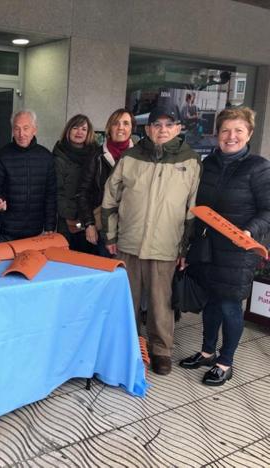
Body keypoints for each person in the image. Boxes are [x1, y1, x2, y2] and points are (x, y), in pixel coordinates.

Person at [101, 106, 202, 375]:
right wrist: (110, 235)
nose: (162, 130)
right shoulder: (131, 157)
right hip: (128, 243)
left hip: (165, 246)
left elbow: (192, 210)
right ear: (147, 129)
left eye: (169, 125)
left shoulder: (190, 161)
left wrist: (184, 248)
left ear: (179, 128)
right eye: (156, 125)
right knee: (127, 300)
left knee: (161, 304)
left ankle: (161, 350)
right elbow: (110, 198)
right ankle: (130, 345)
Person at [180, 107, 270, 386]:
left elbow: (268, 210)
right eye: (225, 131)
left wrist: (248, 231)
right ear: (217, 134)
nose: (231, 136)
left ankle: (225, 361)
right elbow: (197, 208)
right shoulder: (207, 164)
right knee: (211, 302)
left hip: (238, 250)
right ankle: (207, 352)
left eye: (238, 131)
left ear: (249, 134)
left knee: (230, 306)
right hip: (207, 247)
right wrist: (187, 247)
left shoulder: (258, 167)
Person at [0, 109, 56, 240]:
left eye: (26, 128)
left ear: (35, 129)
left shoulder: (46, 157)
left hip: (37, 230)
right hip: (7, 230)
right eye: (17, 129)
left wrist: (50, 226)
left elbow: (51, 194)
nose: (21, 134)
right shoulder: (2, 156)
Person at [76, 109, 135, 257]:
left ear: (131, 128)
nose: (121, 127)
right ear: (109, 128)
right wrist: (89, 224)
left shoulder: (141, 157)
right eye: (116, 123)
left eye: (126, 123)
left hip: (132, 229)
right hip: (104, 227)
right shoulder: (96, 156)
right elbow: (82, 192)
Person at [52, 114, 98, 252]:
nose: (79, 132)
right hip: (67, 220)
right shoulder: (59, 155)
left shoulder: (96, 154)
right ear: (68, 130)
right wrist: (70, 218)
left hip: (91, 217)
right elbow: (57, 190)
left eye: (84, 129)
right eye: (75, 127)